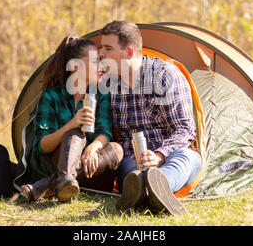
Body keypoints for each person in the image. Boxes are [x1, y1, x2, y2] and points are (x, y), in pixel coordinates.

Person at [98, 21, 201, 216]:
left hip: (171, 153)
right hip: (134, 158)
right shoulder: (108, 83)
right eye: (101, 48)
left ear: (128, 53)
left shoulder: (165, 75)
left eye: (108, 49)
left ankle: (157, 186)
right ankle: (145, 191)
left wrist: (160, 155)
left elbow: (185, 129)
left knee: (189, 158)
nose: (101, 54)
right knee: (131, 174)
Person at [20, 35, 123, 203]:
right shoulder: (51, 95)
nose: (102, 67)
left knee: (117, 149)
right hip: (57, 159)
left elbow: (104, 131)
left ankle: (51, 184)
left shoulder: (100, 93)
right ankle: (63, 180)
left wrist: (94, 147)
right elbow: (42, 146)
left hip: (91, 166)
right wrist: (71, 125)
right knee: (74, 134)